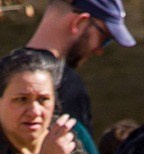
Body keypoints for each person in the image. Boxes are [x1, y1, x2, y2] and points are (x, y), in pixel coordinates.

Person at [21, 0, 137, 132]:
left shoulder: (3, 78)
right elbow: (78, 151)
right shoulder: (66, 84)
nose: (99, 51)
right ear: (78, 22)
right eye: (104, 38)